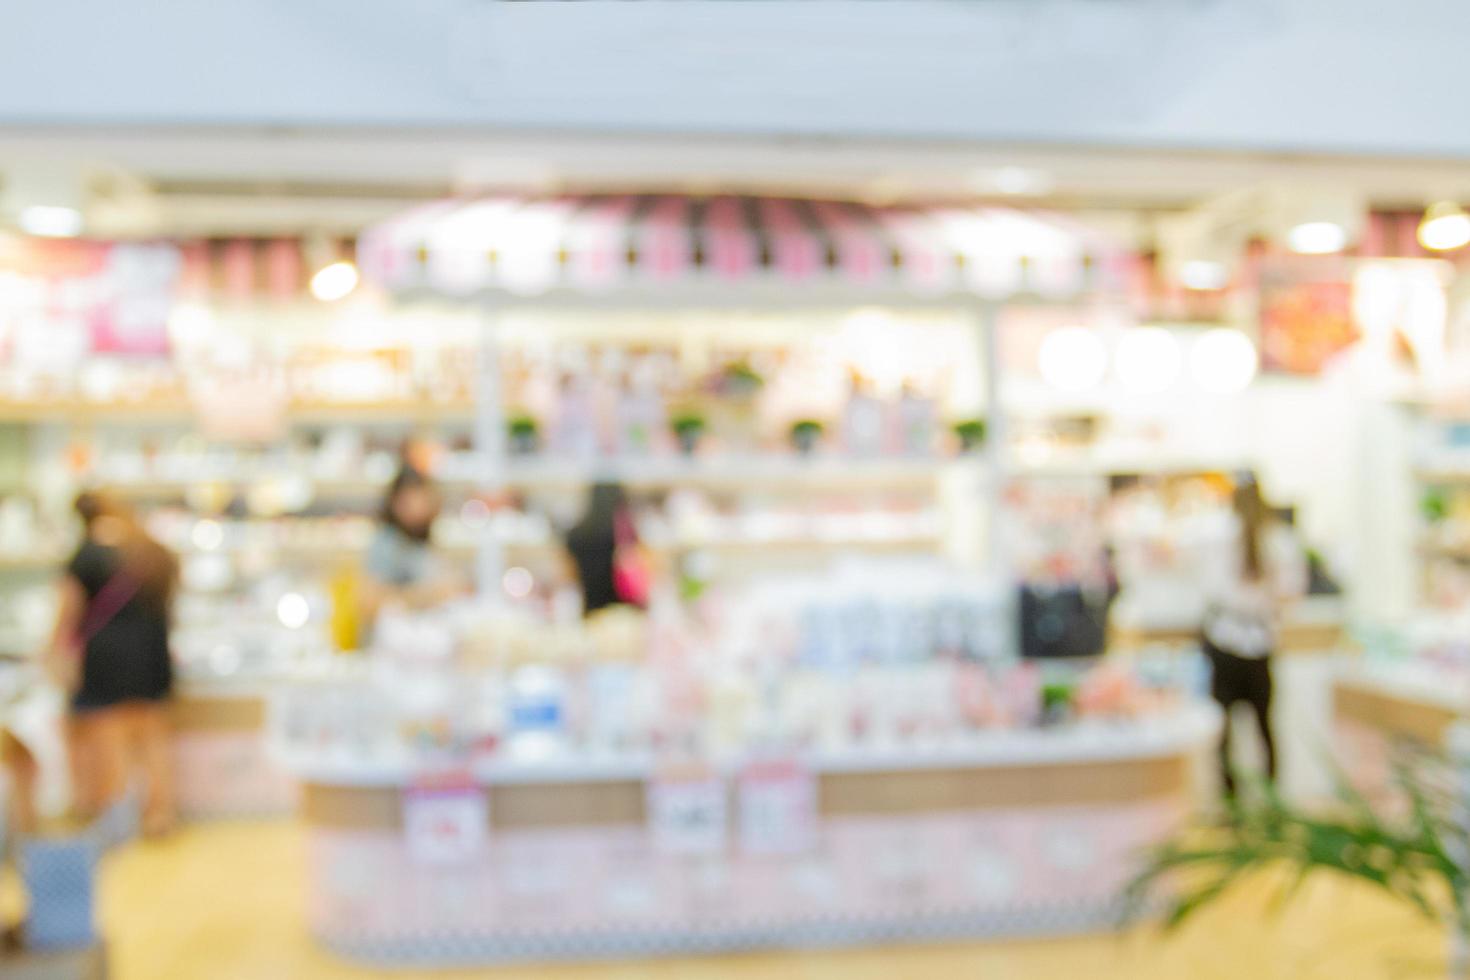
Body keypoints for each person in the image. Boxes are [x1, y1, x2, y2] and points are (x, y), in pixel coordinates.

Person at [52, 492, 178, 835]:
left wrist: (54, 653)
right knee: (153, 738)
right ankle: (159, 814)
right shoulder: (151, 549)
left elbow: (68, 611)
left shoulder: (86, 555)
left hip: (105, 658)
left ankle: (118, 818)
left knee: (110, 738)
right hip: (153, 654)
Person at [1199, 474, 1304, 797]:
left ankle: (1231, 798)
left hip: (1225, 639)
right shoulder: (1279, 538)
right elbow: (1291, 593)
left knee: (1225, 728)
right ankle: (1272, 796)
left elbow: (1208, 588)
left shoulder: (1218, 534)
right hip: (1258, 640)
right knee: (1265, 726)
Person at [361, 464, 463, 627]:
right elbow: (370, 602)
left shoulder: (423, 539)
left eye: (422, 500)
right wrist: (426, 595)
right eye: (409, 502)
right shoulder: (386, 542)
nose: (417, 508)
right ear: (394, 503)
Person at [564, 482, 645, 617]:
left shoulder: (576, 535)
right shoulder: (624, 535)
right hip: (624, 612)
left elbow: (570, 576)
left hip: (591, 610)